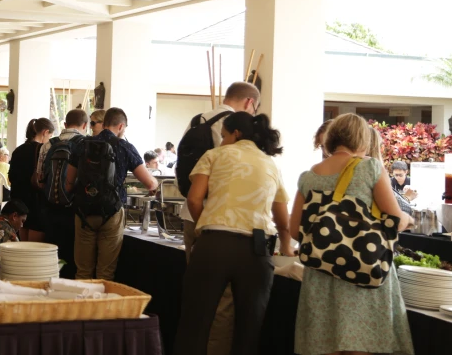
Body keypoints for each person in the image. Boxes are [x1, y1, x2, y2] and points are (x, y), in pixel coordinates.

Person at [289, 113, 414, 355]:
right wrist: (408, 219)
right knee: (361, 345)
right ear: (362, 140)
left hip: (321, 276)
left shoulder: (309, 177)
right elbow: (395, 219)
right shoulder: (370, 168)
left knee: (325, 344)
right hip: (363, 272)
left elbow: (295, 230)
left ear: (331, 139)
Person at [173, 112, 293, 355]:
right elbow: (283, 222)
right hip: (257, 251)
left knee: (195, 324)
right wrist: (288, 248)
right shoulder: (271, 164)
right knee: (249, 329)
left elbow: (194, 200)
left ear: (235, 134)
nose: (222, 140)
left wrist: (204, 226)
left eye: (224, 135)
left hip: (215, 244)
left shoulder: (214, 155)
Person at [175, 81, 260, 355]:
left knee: (196, 295)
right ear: (249, 103)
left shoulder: (196, 121)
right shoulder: (232, 132)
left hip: (192, 215)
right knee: (222, 301)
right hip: (218, 222)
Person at [66, 107, 158, 280]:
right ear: (121, 126)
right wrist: (156, 185)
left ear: (105, 122)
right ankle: (101, 305)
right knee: (105, 271)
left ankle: (82, 306)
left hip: (83, 212)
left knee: (83, 270)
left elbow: (69, 183)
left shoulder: (81, 145)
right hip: (112, 213)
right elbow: (149, 182)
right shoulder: (125, 147)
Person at [36, 109, 88, 279]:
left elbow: (40, 179)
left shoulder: (48, 144)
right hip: (74, 208)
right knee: (72, 252)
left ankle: (49, 282)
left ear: (64, 125)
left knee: (51, 251)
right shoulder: (85, 144)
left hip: (50, 206)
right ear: (85, 125)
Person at [10, 118, 55, 242]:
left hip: (20, 203)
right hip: (36, 203)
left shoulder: (18, 150)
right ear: (45, 132)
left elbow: (11, 177)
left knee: (23, 246)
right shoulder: (43, 150)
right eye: (50, 135)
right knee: (35, 249)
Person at [369, 128, 414, 215]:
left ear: (406, 172)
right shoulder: (372, 168)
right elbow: (399, 208)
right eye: (380, 146)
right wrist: (408, 198)